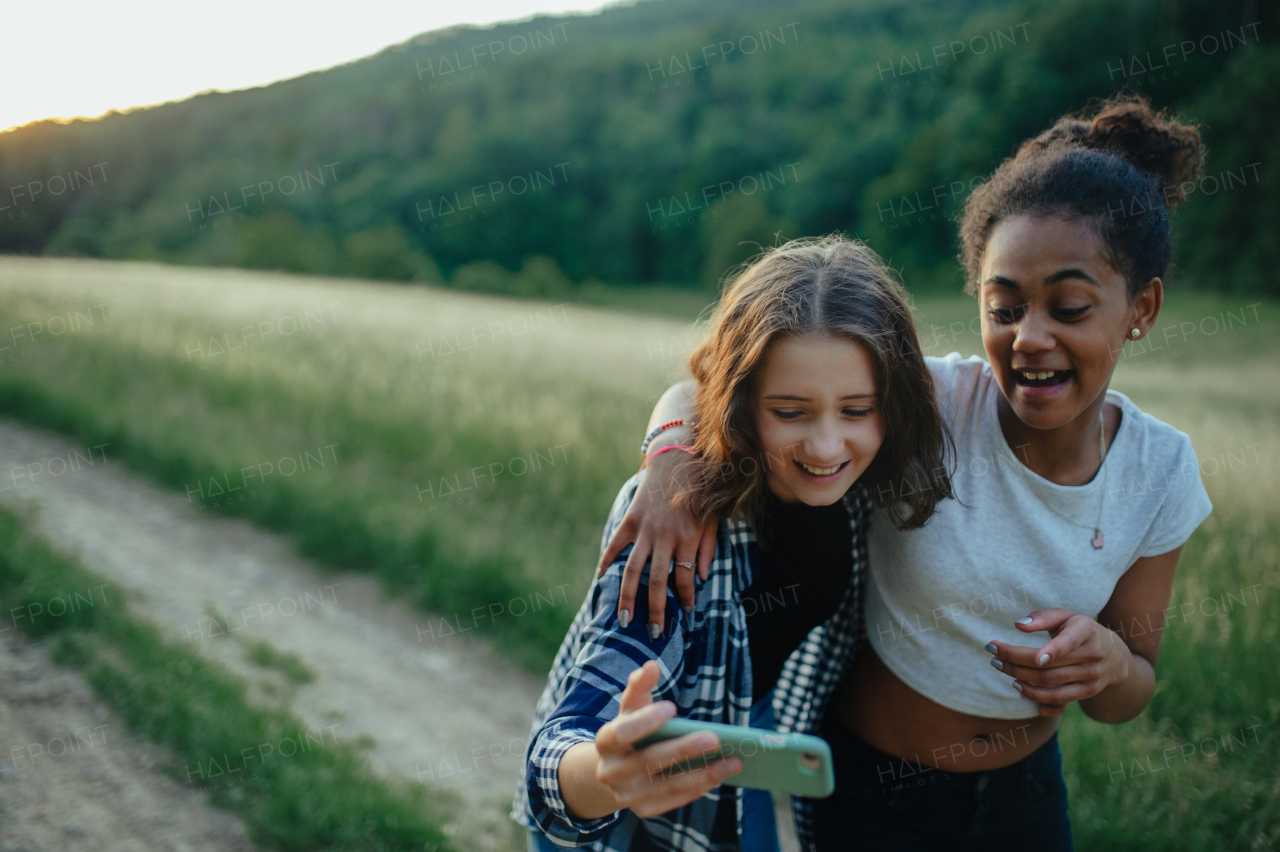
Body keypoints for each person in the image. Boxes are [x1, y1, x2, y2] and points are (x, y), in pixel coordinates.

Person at [605, 96, 1213, 851]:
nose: (1030, 337)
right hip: (873, 793)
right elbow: (717, 389)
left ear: (1141, 309)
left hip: (1025, 801)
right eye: (1004, 306)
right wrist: (668, 460)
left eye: (1070, 306)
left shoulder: (1161, 472)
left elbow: (1132, 691)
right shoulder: (933, 402)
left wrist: (1111, 665)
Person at [512, 235, 952, 851]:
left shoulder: (860, 484)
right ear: (742, 404)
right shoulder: (680, 514)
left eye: (857, 410)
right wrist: (606, 774)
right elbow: (563, 748)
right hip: (645, 795)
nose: (826, 447)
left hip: (747, 731)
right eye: (791, 413)